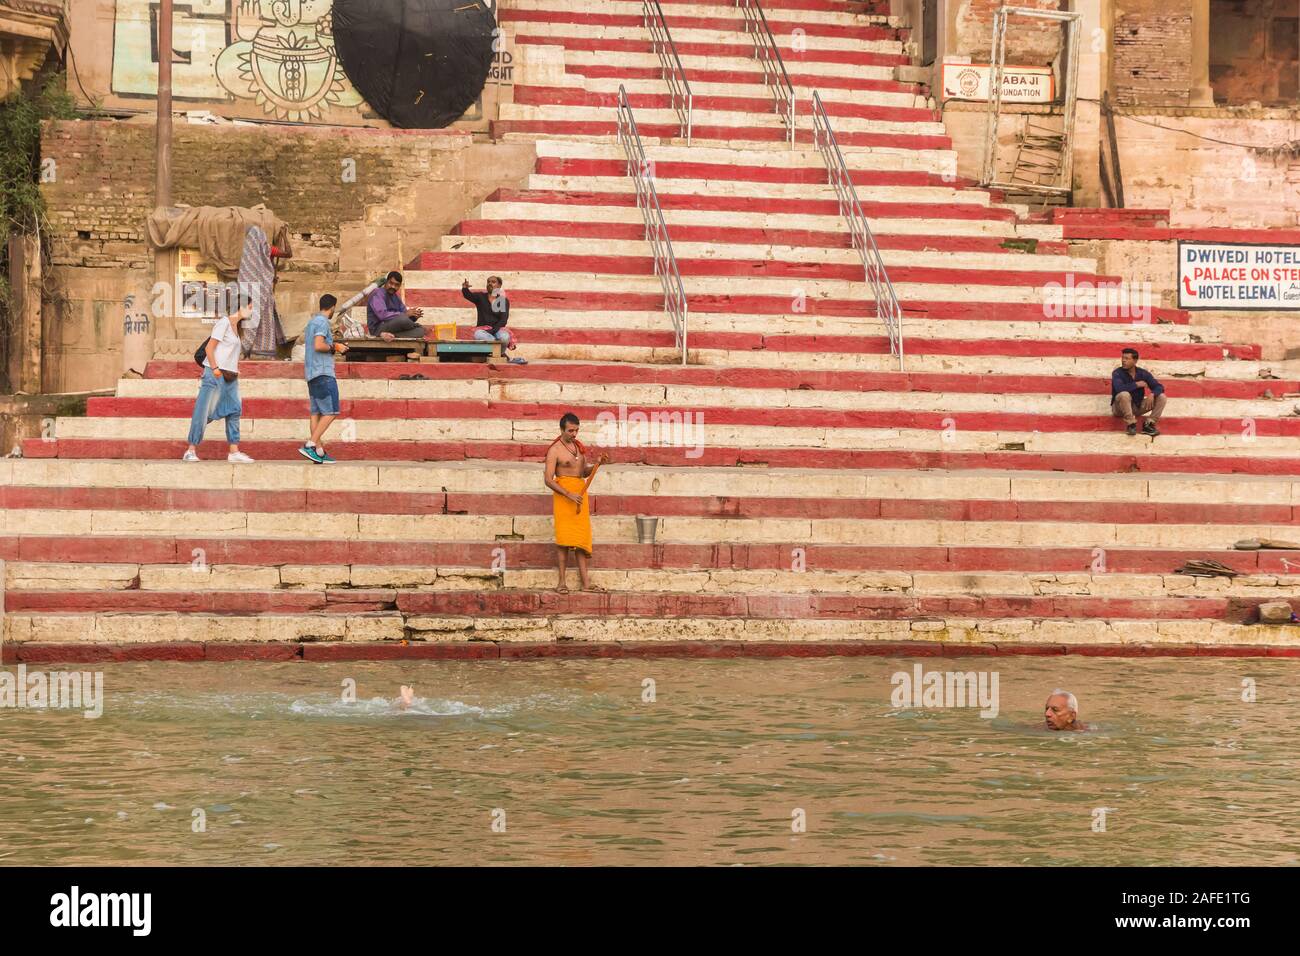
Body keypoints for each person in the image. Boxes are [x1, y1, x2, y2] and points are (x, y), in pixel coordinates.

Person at [183, 292, 256, 463]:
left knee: (235, 410)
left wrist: (234, 369)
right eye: (250, 308)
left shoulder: (237, 328)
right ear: (242, 306)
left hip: (230, 376)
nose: (252, 312)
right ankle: (191, 450)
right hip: (214, 374)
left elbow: (229, 353)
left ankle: (234, 451)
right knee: (203, 412)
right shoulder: (223, 323)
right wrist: (215, 368)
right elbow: (210, 348)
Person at [544, 412, 609, 593]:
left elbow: (583, 472)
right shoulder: (554, 450)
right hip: (564, 497)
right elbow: (548, 479)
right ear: (562, 429)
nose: (574, 434)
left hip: (580, 495)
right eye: (571, 430)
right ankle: (562, 583)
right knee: (564, 540)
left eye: (576, 430)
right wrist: (567, 494)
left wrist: (597, 464)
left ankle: (586, 584)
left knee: (580, 540)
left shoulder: (579, 448)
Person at [300, 293, 349, 464]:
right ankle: (311, 444)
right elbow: (319, 345)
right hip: (323, 373)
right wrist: (336, 346)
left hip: (312, 374)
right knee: (331, 411)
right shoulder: (322, 322)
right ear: (333, 307)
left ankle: (319, 452)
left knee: (316, 413)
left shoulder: (311, 323)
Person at [240, 225, 287, 359]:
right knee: (259, 322)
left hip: (249, 294)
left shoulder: (248, 253)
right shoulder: (266, 249)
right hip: (260, 293)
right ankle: (256, 352)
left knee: (249, 322)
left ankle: (248, 352)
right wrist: (284, 235)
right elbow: (288, 253)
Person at [462, 275, 525, 365]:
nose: (490, 283)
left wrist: (493, 330)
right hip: (483, 330)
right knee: (478, 334)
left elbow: (503, 319)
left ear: (499, 286)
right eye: (488, 282)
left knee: (505, 337)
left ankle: (498, 353)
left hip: (497, 329)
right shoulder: (480, 297)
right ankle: (501, 354)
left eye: (493, 282)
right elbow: (468, 295)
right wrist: (465, 288)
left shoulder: (503, 300)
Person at [1111, 347, 1166, 437]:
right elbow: (1119, 388)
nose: (1123, 361)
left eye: (1127, 359)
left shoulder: (1143, 373)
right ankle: (1131, 424)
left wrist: (1152, 394)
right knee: (1124, 394)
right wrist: (1137, 384)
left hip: (1137, 406)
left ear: (1135, 361)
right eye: (1123, 358)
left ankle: (1149, 425)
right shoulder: (1117, 373)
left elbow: (1159, 387)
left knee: (1161, 397)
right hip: (1119, 408)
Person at [366, 270, 428, 339]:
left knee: (421, 331)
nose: (393, 286)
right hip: (377, 328)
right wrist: (406, 315)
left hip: (393, 328)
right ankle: (380, 334)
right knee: (403, 320)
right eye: (391, 283)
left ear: (399, 286)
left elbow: (404, 313)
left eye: (396, 285)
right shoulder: (378, 293)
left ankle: (391, 335)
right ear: (386, 282)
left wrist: (414, 316)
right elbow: (383, 315)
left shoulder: (395, 297)